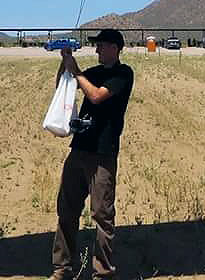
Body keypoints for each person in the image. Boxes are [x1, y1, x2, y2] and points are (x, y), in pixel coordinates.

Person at [51, 28, 134, 280]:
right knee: (66, 209)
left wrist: (76, 71)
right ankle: (61, 268)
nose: (96, 49)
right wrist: (65, 63)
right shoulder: (94, 73)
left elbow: (97, 96)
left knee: (102, 215)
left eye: (101, 45)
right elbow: (62, 86)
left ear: (114, 48)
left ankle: (103, 273)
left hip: (103, 154)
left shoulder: (123, 73)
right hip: (79, 149)